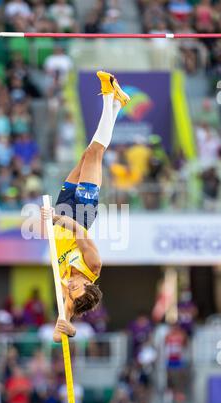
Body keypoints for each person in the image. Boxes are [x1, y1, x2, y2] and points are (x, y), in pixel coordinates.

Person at [41, 71, 130, 342]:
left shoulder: (70, 296)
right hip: (80, 212)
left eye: (71, 290)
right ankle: (107, 97)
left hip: (62, 211)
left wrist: (67, 326)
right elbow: (80, 231)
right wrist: (56, 218)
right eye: (76, 286)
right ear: (88, 283)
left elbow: (62, 330)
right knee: (95, 153)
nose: (70, 285)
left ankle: (117, 103)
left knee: (85, 155)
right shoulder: (93, 264)